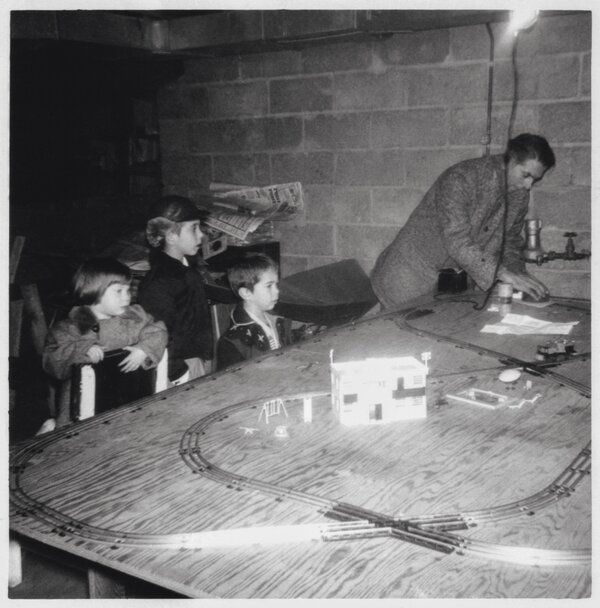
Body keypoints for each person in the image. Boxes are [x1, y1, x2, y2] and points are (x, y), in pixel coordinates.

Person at [370, 133, 555, 308]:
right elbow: (457, 241)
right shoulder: (461, 178)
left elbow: (510, 242)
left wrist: (519, 275)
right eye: (526, 175)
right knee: (399, 336)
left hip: (449, 281)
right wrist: (503, 274)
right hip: (408, 274)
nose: (528, 185)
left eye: (535, 180)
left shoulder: (519, 196)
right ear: (510, 159)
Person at [42, 258, 168, 428]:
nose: (127, 296)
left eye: (128, 290)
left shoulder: (135, 317)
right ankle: (51, 428)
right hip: (84, 404)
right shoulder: (72, 326)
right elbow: (52, 361)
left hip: (129, 394)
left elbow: (158, 330)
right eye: (118, 291)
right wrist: (82, 350)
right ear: (94, 291)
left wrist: (144, 349)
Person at [137, 196, 213, 385]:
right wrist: (179, 373)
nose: (201, 235)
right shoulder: (160, 281)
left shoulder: (185, 269)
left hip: (197, 360)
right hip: (180, 369)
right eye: (193, 228)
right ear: (171, 236)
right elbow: (158, 331)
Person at [217, 253, 292, 370]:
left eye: (276, 285)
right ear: (246, 293)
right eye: (269, 286)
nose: (277, 291)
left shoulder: (279, 320)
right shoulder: (233, 341)